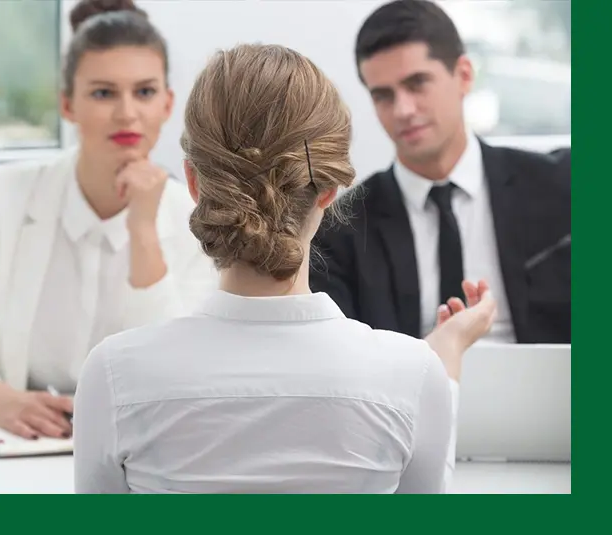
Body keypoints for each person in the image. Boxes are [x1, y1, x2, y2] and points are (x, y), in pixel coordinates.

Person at [73, 43, 497, 494]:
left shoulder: (113, 374)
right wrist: (443, 359)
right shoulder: (413, 375)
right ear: (329, 189)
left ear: (194, 182)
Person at [0, 0, 216, 439]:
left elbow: (179, 374)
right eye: (103, 93)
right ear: (67, 104)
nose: (127, 113)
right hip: (20, 443)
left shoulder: (195, 219)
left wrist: (143, 233)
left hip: (139, 449)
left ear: (167, 104)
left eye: (144, 92)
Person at [310, 0, 571, 344]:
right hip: (409, 391)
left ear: (464, 75)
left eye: (417, 83)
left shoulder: (563, 187)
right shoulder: (339, 230)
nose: (403, 110)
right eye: (383, 95)